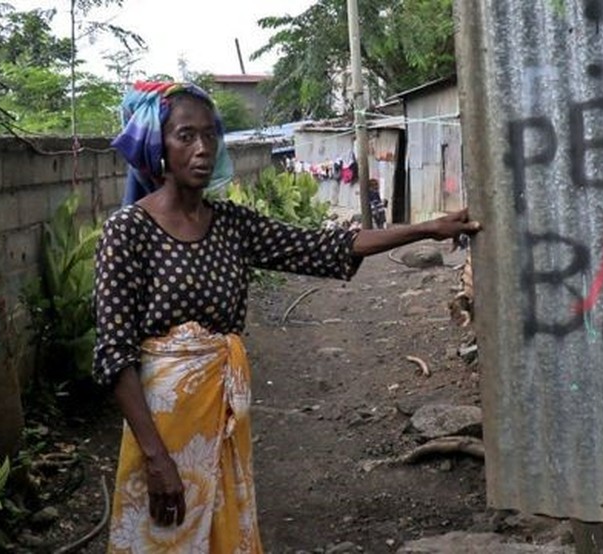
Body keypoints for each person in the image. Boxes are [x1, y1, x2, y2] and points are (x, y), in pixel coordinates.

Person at [94, 81, 480, 552]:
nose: (202, 149)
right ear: (159, 145)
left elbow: (323, 247)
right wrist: (156, 458)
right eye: (185, 136)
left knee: (221, 531)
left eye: (211, 135)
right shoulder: (128, 231)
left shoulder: (232, 225)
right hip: (162, 424)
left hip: (224, 412)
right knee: (162, 536)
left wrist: (427, 228)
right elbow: (114, 355)